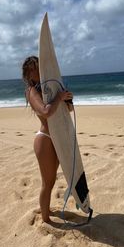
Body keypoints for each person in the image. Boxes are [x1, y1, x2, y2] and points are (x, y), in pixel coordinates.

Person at [22, 56, 73, 223]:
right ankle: (46, 220)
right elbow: (45, 112)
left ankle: (47, 211)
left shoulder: (47, 89)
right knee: (48, 182)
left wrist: (67, 100)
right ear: (29, 74)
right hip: (45, 139)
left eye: (40, 67)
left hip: (57, 137)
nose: (39, 71)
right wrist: (58, 97)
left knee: (52, 180)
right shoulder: (31, 91)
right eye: (35, 69)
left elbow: (68, 111)